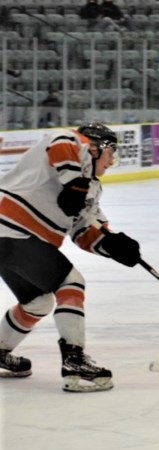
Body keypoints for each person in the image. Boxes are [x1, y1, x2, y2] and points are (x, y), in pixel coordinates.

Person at [0, 123, 140, 392]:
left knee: (37, 302)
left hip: (12, 238)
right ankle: (74, 359)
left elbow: (83, 230)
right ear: (98, 147)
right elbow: (61, 141)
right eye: (111, 152)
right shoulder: (72, 143)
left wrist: (112, 245)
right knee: (71, 284)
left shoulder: (91, 189)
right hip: (11, 229)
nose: (113, 160)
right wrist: (73, 181)